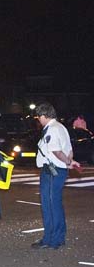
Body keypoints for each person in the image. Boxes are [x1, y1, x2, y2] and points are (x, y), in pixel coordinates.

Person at [32, 103, 80, 249]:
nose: (38, 120)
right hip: (58, 171)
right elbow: (69, 149)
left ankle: (52, 239)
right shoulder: (61, 127)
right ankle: (56, 237)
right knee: (55, 204)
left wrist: (67, 162)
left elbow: (55, 151)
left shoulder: (51, 129)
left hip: (52, 171)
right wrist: (69, 162)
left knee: (50, 205)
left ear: (44, 116)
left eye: (38, 117)